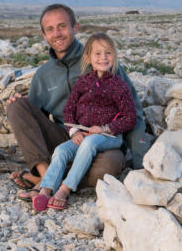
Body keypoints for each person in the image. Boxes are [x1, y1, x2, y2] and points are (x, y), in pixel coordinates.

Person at [6, 3, 148, 201]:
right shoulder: (43, 75)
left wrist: (141, 161)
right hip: (66, 138)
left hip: (103, 141)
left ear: (76, 27)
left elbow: (134, 111)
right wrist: (19, 106)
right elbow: (33, 122)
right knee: (16, 105)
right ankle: (46, 173)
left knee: (108, 167)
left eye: (62, 26)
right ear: (44, 35)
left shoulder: (100, 60)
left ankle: (46, 180)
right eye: (50, 29)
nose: (57, 33)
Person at [31, 32, 137, 211]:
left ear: (114, 56)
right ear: (88, 57)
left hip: (109, 136)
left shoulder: (119, 85)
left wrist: (106, 127)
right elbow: (69, 110)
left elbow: (130, 117)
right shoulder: (83, 82)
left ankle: (64, 189)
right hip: (84, 133)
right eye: (97, 54)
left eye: (108, 53)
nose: (103, 58)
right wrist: (74, 132)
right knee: (61, 150)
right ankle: (45, 190)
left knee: (89, 143)